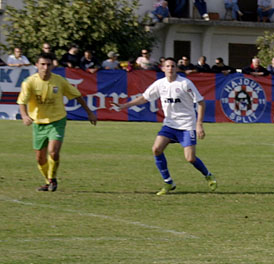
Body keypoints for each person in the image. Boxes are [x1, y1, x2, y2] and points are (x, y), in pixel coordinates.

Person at [111, 57, 217, 195]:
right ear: (163, 68)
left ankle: (208, 175)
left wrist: (199, 125)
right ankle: (168, 182)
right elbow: (144, 98)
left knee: (190, 158)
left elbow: (201, 102)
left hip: (186, 125)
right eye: (167, 66)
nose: (170, 68)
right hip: (170, 124)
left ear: (176, 68)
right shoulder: (160, 84)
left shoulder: (185, 83)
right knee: (156, 149)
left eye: (173, 66)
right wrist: (124, 105)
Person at [17, 53, 98, 192]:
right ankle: (47, 181)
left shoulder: (59, 81)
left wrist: (89, 112)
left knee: (53, 152)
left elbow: (77, 95)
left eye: (48, 64)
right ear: (36, 65)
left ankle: (52, 179)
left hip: (57, 120)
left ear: (52, 66)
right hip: (38, 123)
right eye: (42, 64)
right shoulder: (29, 82)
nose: (45, 67)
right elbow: (22, 101)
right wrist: (24, 116)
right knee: (40, 158)